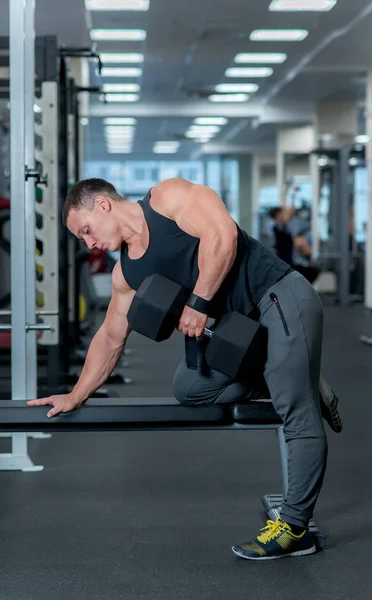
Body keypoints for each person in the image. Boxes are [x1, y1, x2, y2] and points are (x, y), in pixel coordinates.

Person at [28, 178, 341, 561]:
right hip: (243, 337)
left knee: (296, 409)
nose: (89, 244)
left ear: (103, 206)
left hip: (277, 295)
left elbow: (222, 233)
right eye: (82, 239)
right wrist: (75, 394)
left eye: (86, 231)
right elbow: (110, 338)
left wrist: (199, 301)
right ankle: (293, 369)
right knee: (190, 387)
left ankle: (295, 528)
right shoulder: (126, 275)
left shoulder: (166, 199)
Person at [269, 206, 320, 284]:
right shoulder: (278, 229)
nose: (284, 215)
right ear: (277, 215)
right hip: (285, 264)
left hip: (288, 263)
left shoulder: (283, 229)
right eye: (282, 213)